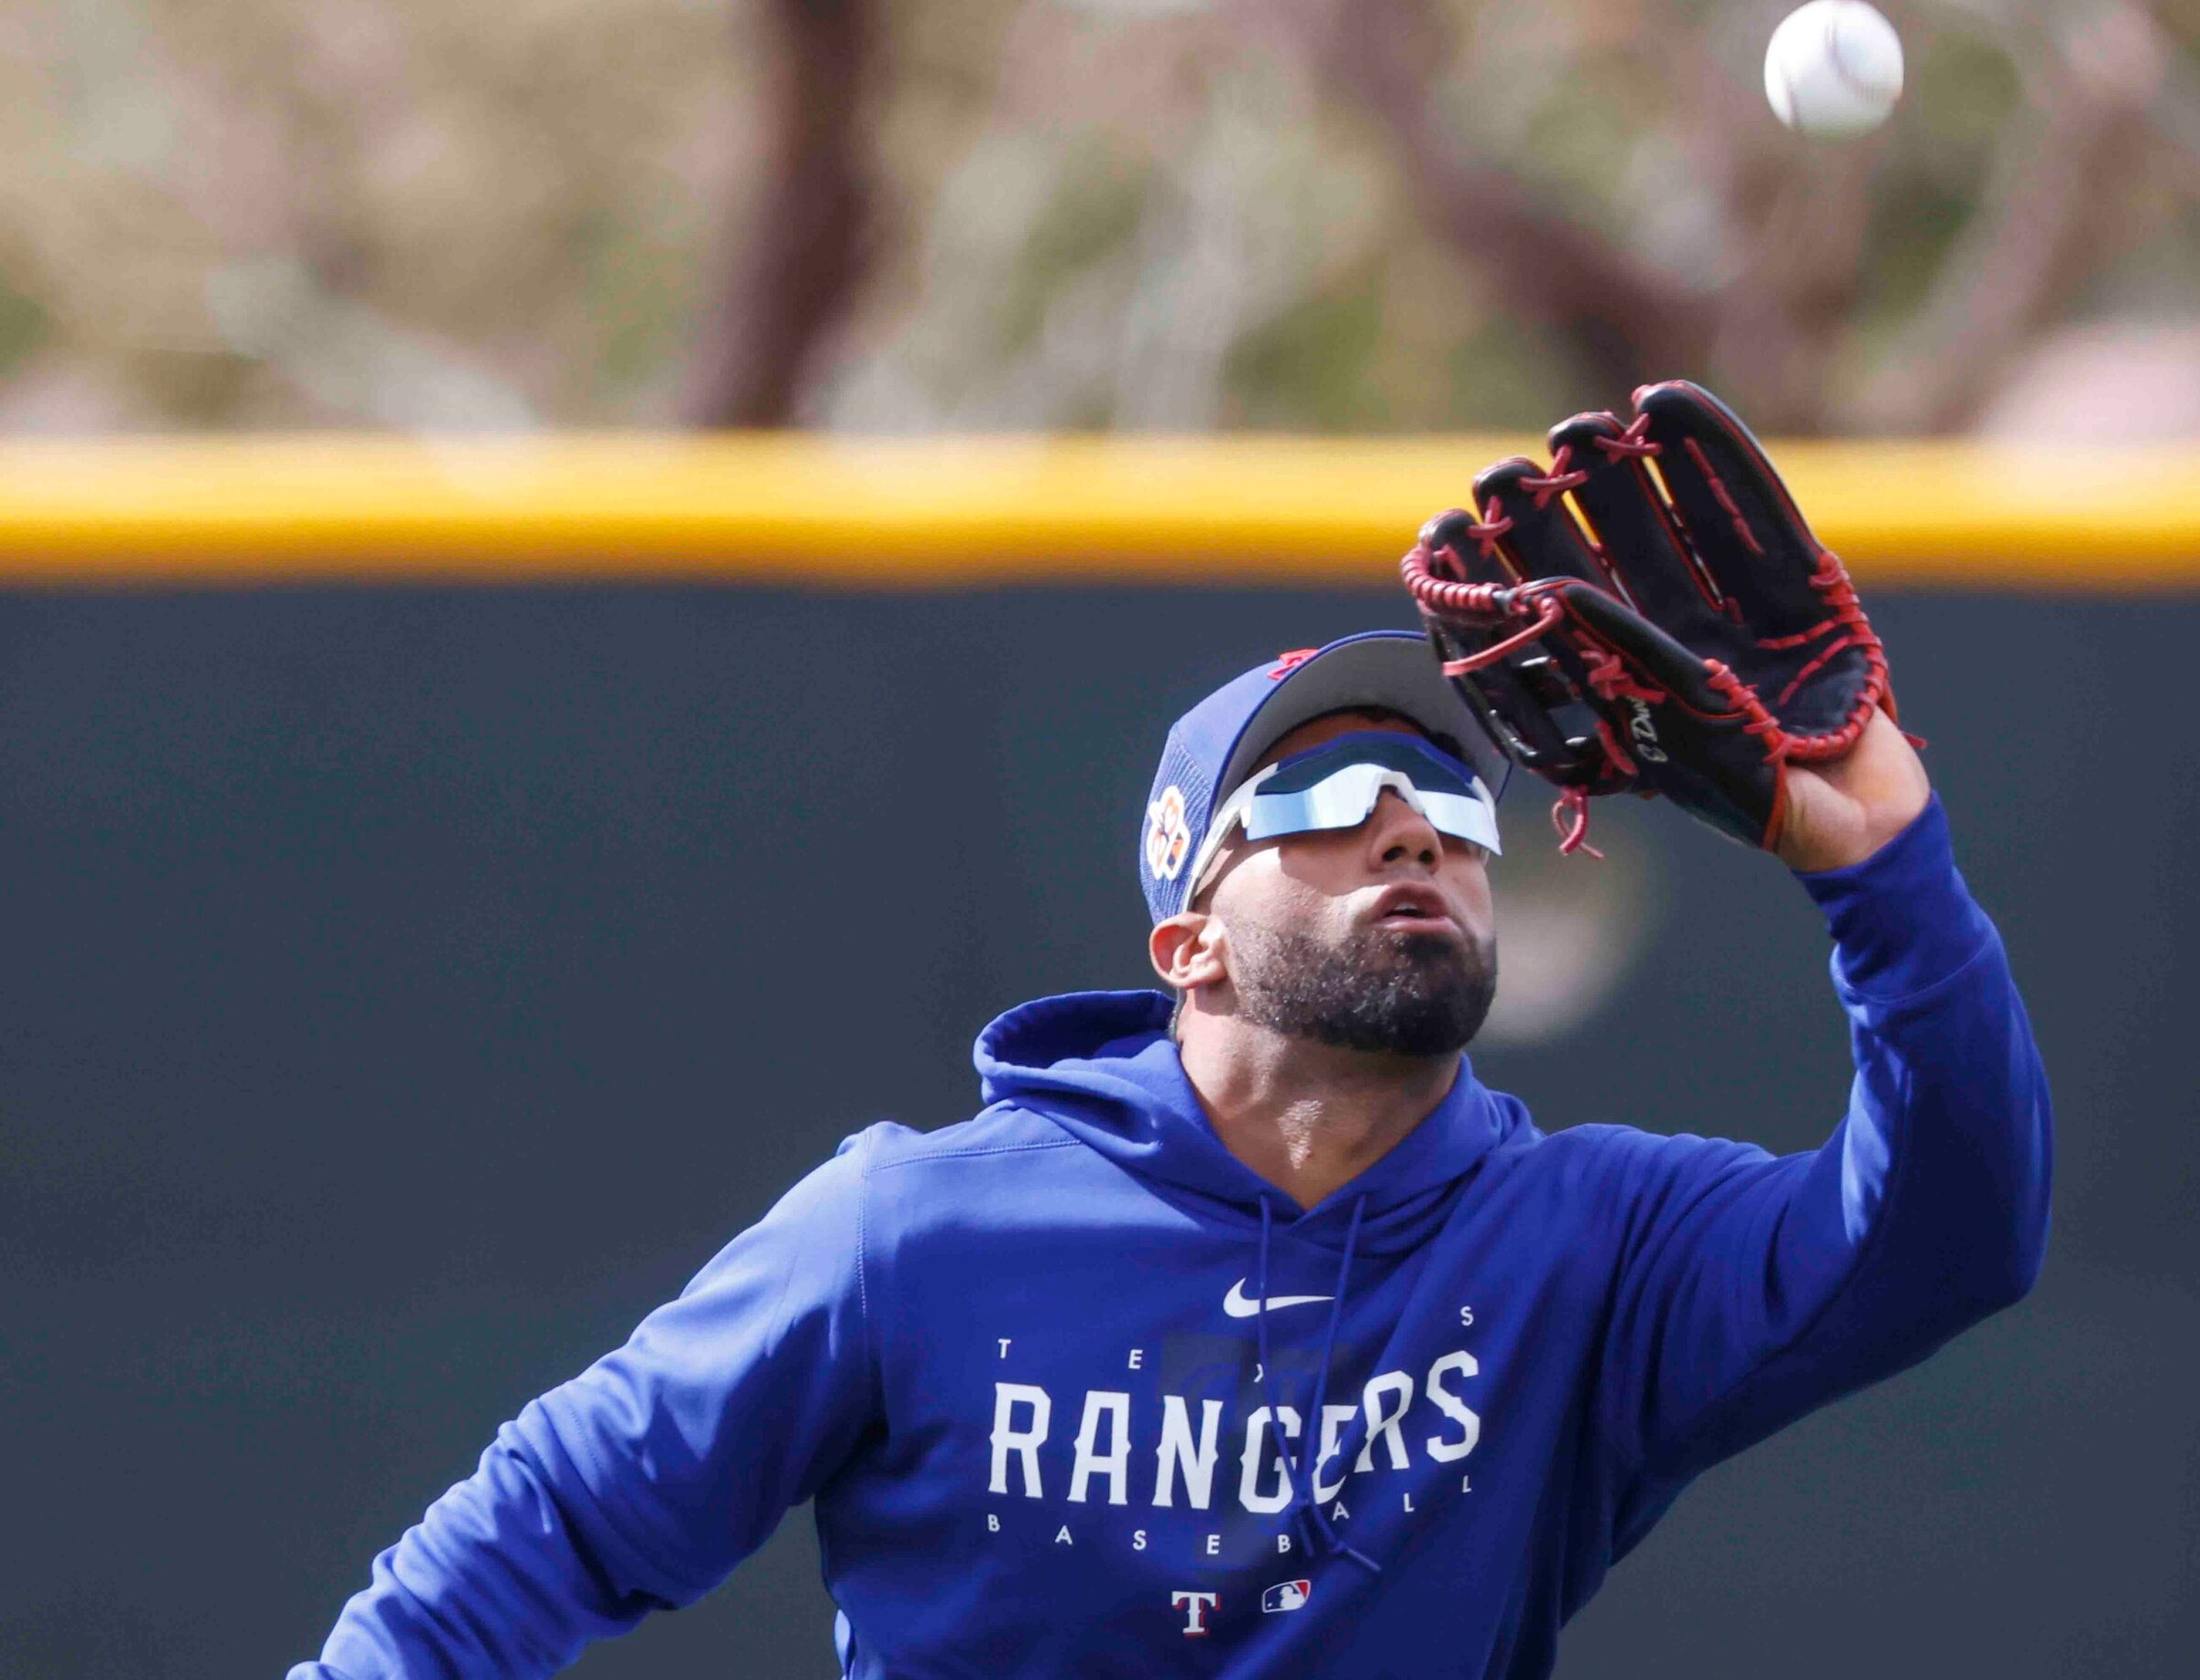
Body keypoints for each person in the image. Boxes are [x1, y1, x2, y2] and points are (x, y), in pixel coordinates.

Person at [292, 610, 2051, 1677]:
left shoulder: (1585, 1246)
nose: (1409, 835)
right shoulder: (919, 1232)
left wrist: (1876, 854)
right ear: (1184, 937)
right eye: (1322, 808)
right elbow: (551, 1521)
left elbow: (1954, 1232)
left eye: (1447, 806)